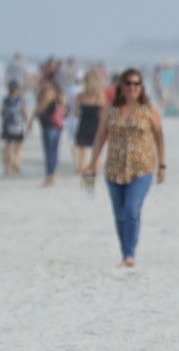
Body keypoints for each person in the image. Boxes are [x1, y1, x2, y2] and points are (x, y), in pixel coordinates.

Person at [83, 68, 166, 267]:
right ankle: (125, 252)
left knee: (132, 209)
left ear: (141, 87)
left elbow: (159, 137)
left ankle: (130, 253)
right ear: (121, 85)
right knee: (119, 213)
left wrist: (162, 165)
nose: (132, 87)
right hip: (115, 168)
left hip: (142, 167)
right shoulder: (112, 109)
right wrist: (92, 163)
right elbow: (100, 137)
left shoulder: (149, 109)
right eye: (128, 83)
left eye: (136, 84)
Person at [35, 70, 66, 186]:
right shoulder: (58, 92)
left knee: (49, 151)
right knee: (54, 150)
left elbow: (40, 109)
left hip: (49, 125)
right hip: (56, 124)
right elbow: (64, 106)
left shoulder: (48, 92)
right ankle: (54, 173)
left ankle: (50, 176)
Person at [72, 70, 106, 174]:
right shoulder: (100, 95)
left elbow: (75, 112)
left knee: (82, 151)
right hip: (97, 126)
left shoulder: (80, 96)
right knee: (97, 153)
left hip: (84, 125)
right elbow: (105, 112)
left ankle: (84, 172)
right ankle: (94, 172)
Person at [0, 79, 29, 176]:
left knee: (8, 147)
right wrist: (28, 123)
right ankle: (16, 164)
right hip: (18, 126)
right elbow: (24, 112)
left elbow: (2, 113)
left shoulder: (6, 100)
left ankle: (9, 167)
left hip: (8, 126)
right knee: (18, 147)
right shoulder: (20, 100)